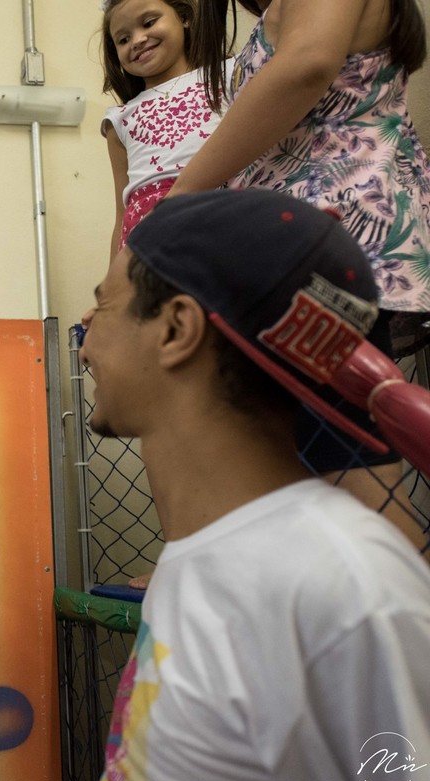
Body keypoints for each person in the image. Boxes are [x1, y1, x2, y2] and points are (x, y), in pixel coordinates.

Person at [81, 189, 430, 781]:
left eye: (104, 305)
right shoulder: (203, 556)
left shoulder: (342, 585)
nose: (84, 334)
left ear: (175, 328)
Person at [166, 0, 430, 555]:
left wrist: (178, 201)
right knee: (305, 482)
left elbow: (307, 65)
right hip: (295, 254)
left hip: (334, 246)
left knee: (351, 484)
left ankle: (406, 631)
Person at [99, 0, 234, 256]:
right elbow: (122, 210)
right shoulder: (119, 118)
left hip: (222, 211)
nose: (137, 40)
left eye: (149, 23)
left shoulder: (226, 73)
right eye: (123, 39)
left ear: (184, 17)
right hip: (148, 236)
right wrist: (113, 282)